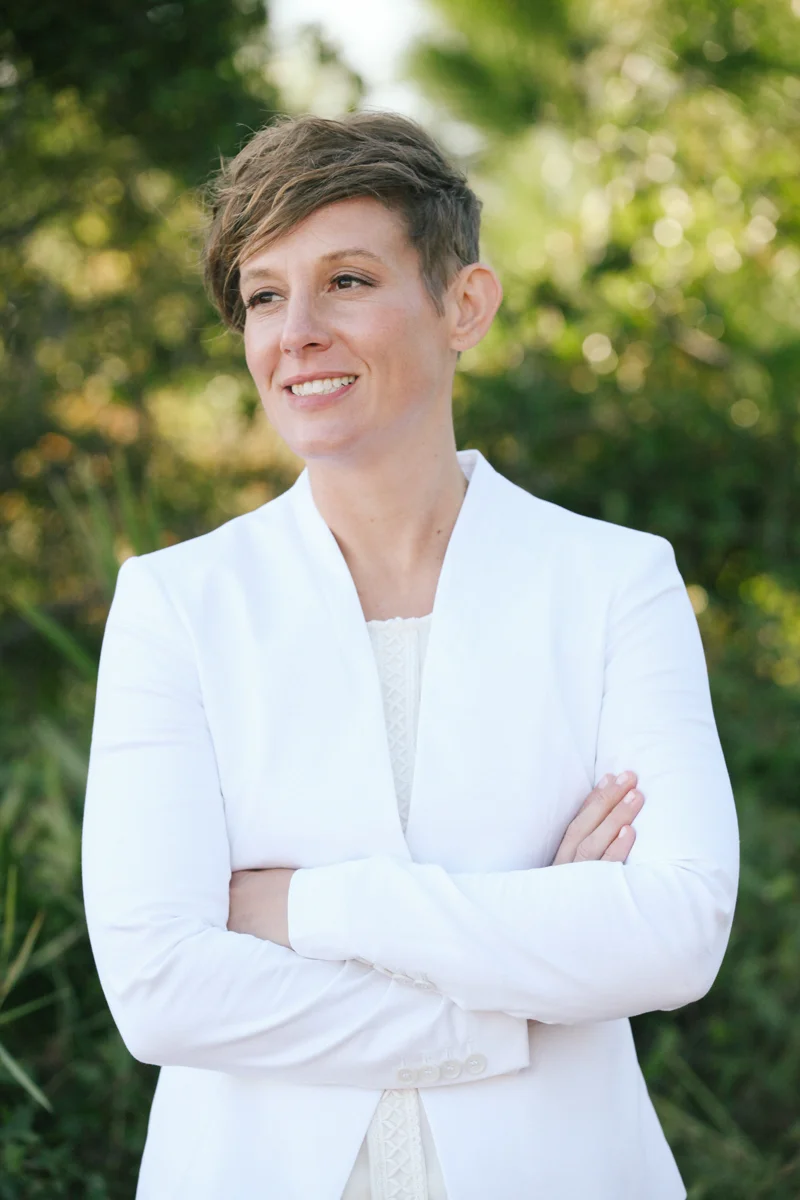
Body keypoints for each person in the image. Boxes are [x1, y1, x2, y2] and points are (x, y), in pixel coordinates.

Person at [81, 111, 740, 1200]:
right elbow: (162, 990)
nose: (294, 331)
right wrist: (521, 982)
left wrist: (302, 910)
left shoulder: (614, 581)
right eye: (262, 294)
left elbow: (671, 933)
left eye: (344, 280)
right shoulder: (176, 604)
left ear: (461, 304)